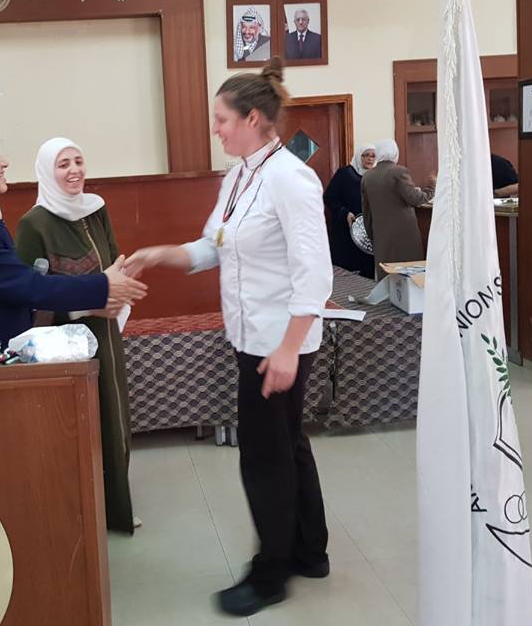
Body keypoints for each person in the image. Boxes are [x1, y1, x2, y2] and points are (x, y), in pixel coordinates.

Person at [126, 57, 332, 618]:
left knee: (264, 456)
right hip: (251, 335)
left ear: (253, 119)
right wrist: (159, 254)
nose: (215, 129)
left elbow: (315, 273)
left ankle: (271, 574)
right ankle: (310, 551)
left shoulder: (290, 178)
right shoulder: (239, 176)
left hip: (278, 343)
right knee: (288, 442)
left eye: (221, 119)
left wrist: (288, 348)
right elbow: (212, 247)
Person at [0, 124, 147, 363]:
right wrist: (103, 286)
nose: (4, 162)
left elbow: (10, 289)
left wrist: (93, 299)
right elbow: (24, 285)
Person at [15, 137, 137, 535]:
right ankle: (82, 512)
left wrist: (118, 292)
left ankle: (116, 508)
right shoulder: (34, 224)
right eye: (63, 164)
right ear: (46, 172)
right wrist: (88, 304)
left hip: (105, 332)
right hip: (64, 342)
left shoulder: (96, 209)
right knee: (80, 424)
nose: (73, 171)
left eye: (78, 161)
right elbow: (30, 299)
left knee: (114, 415)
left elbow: (115, 264)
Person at [360, 138, 435, 280]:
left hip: (381, 235)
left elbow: (366, 211)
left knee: (387, 275)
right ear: (395, 152)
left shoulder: (367, 176)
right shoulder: (398, 172)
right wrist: (431, 187)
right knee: (408, 275)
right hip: (404, 234)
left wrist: (372, 234)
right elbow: (416, 199)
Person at [323, 144, 376, 278]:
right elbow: (329, 197)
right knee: (346, 271)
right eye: (366, 155)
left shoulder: (375, 176)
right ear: (358, 156)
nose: (370, 159)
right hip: (345, 228)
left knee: (367, 271)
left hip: (366, 232)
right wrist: (344, 213)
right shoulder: (345, 174)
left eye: (373, 156)